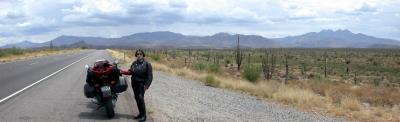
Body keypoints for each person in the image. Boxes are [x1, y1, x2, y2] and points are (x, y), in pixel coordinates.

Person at [121, 49, 153, 122]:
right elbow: (130, 72)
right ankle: (140, 114)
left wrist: (146, 86)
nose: (139, 55)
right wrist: (122, 71)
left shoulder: (147, 64)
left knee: (140, 98)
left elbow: (150, 77)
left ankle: (144, 116)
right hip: (134, 84)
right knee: (137, 98)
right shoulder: (134, 63)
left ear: (143, 55)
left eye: (140, 54)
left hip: (141, 85)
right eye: (137, 54)